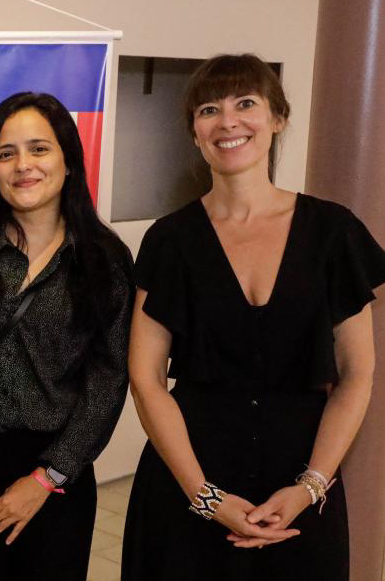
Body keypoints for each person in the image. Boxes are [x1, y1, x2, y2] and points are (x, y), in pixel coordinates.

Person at [121, 53, 385, 580]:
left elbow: (358, 373)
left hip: (305, 477)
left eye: (246, 103)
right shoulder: (169, 239)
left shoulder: (333, 232)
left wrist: (311, 486)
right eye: (209, 109)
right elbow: (145, 378)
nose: (228, 121)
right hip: (189, 476)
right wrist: (205, 496)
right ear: (195, 132)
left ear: (278, 117)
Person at [0, 92, 134, 581]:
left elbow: (109, 378)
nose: (23, 166)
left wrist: (47, 478)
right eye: (6, 153)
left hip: (58, 468)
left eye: (39, 149)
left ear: (68, 161)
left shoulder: (105, 259)